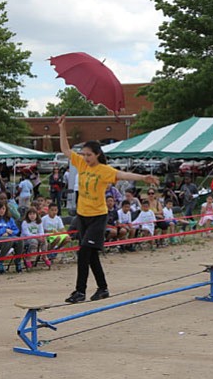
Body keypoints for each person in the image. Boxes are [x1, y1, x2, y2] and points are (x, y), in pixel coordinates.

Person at [57, 114, 158, 304]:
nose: (85, 158)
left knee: (84, 251)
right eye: (84, 154)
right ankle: (102, 288)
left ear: (97, 154)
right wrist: (62, 127)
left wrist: (143, 178)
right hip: (82, 216)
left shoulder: (104, 170)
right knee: (91, 253)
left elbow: (122, 173)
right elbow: (65, 149)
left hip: (98, 216)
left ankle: (80, 291)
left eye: (89, 155)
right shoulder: (80, 163)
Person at [0, 200, 24, 274]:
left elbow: (16, 230)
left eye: (3, 209)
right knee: (8, 240)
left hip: (9, 238)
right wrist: (3, 231)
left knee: (20, 240)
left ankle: (18, 261)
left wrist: (10, 232)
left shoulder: (9, 219)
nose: (1, 211)